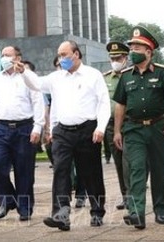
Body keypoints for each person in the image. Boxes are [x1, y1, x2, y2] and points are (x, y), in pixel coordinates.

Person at [19, 40, 110, 231]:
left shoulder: (92, 75)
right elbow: (36, 84)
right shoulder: (56, 77)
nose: (61, 59)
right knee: (60, 170)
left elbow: (103, 103)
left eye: (65, 55)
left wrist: (100, 127)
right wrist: (24, 71)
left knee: (90, 172)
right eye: (59, 55)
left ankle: (97, 210)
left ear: (76, 54)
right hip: (63, 131)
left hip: (88, 129)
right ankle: (61, 213)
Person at [113, 26, 164, 230]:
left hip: (158, 127)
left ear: (149, 52)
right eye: (131, 47)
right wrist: (117, 130)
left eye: (137, 47)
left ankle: (161, 210)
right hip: (133, 129)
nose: (132, 50)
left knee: (160, 170)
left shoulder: (162, 73)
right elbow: (120, 105)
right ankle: (136, 213)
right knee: (136, 169)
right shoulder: (126, 76)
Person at [0, 46, 44, 221]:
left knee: (24, 171)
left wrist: (37, 127)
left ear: (18, 57)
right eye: (2, 55)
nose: (4, 58)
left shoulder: (28, 77)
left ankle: (24, 207)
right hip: (1, 128)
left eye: (8, 55)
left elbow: (37, 101)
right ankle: (7, 200)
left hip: (24, 128)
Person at [103, 41, 131, 210]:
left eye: (118, 57)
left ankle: (132, 195)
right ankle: (125, 196)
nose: (115, 60)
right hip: (112, 126)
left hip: (130, 124)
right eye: (112, 58)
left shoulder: (131, 75)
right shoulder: (105, 78)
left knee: (129, 162)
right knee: (119, 163)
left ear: (125, 58)